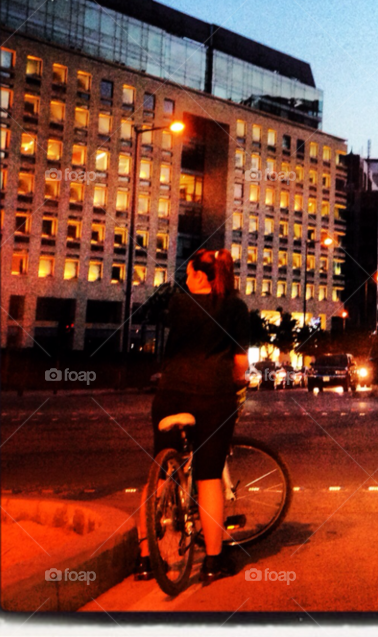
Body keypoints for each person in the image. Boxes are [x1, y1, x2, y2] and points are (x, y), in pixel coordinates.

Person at [135, 249, 250, 584]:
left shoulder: (178, 304)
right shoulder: (235, 308)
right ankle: (213, 561)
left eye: (189, 273)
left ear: (202, 276)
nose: (185, 278)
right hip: (214, 396)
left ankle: (145, 559)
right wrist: (239, 383)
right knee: (208, 475)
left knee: (158, 472)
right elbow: (240, 364)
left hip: (172, 393)